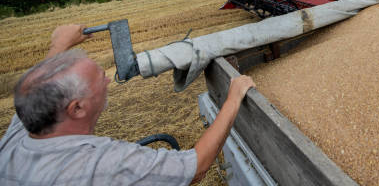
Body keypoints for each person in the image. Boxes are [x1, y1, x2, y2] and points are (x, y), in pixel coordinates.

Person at [0, 24, 255, 185]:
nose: (107, 80)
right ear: (76, 108)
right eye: (98, 79)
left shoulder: (17, 139)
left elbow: (38, 88)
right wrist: (232, 99)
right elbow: (196, 167)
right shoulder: (100, 165)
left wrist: (59, 45)